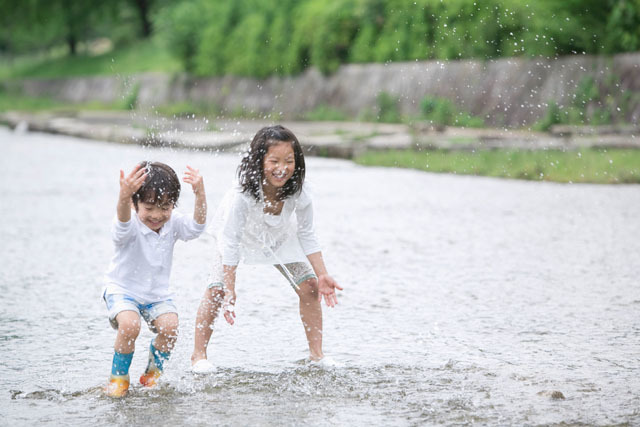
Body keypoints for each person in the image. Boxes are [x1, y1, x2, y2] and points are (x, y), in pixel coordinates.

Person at [191, 125, 343, 373]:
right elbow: (230, 240)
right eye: (274, 160)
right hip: (236, 239)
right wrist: (231, 285)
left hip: (279, 238)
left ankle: (317, 355)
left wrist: (323, 273)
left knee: (310, 286)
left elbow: (306, 233)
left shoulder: (300, 191)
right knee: (218, 290)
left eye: (289, 161)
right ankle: (198, 356)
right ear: (259, 160)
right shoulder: (243, 193)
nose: (281, 168)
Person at [103, 161, 207, 397]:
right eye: (149, 208)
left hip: (156, 295)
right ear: (134, 203)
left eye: (165, 207)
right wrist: (123, 196)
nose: (157, 215)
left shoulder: (173, 223)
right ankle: (118, 379)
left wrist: (200, 194)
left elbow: (197, 227)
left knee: (170, 328)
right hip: (122, 289)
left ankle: (151, 375)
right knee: (130, 325)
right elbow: (121, 223)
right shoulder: (129, 227)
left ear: (173, 205)